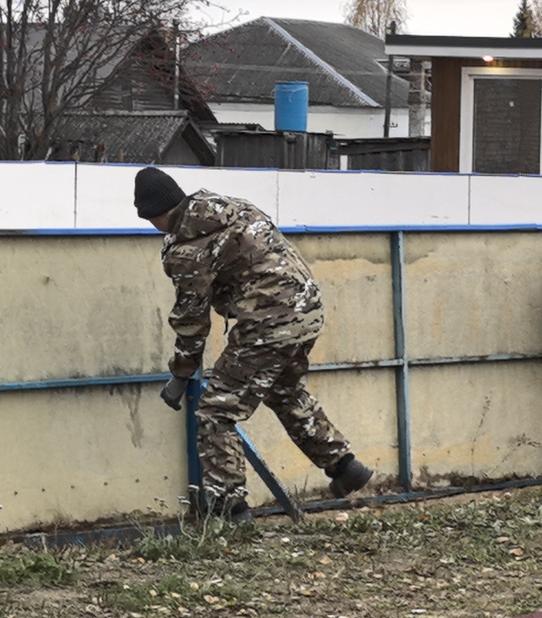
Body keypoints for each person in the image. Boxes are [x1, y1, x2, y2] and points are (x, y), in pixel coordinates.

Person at [136, 167, 372, 521]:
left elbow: (191, 319)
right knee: (282, 391)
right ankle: (343, 466)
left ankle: (229, 509)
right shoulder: (232, 208)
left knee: (216, 411)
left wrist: (182, 374)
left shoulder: (187, 249)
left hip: (267, 321)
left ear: (155, 215)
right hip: (307, 309)